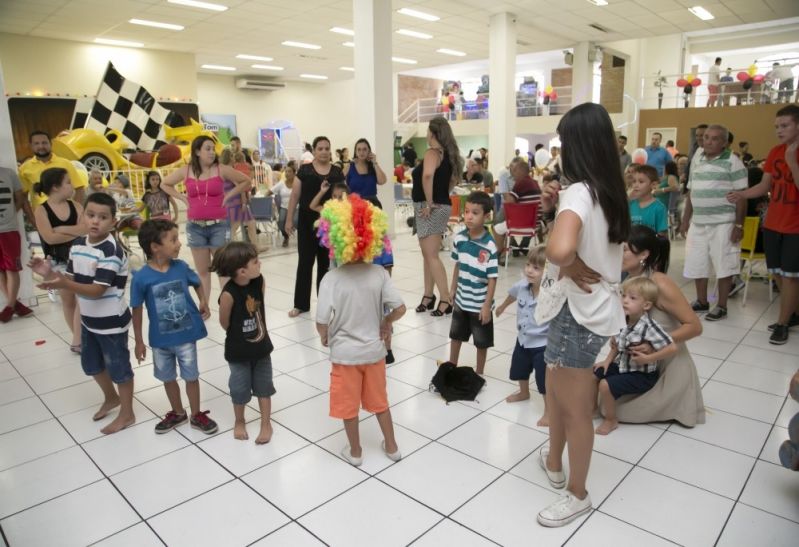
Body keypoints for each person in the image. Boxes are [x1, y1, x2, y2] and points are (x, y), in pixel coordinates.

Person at [535, 103, 630, 528]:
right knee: (555, 391)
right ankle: (554, 461)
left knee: (574, 407)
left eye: (563, 140)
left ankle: (578, 493)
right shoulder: (608, 190)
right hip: (584, 310)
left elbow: (558, 250)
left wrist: (568, 263)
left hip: (580, 314)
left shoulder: (579, 192)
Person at [30, 193, 134, 435]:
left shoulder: (112, 251)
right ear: (83, 216)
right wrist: (48, 273)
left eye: (102, 217)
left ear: (113, 221)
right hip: (88, 320)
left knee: (119, 368)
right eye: (90, 215)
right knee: (92, 365)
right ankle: (111, 398)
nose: (95, 221)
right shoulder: (78, 244)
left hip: (111, 323)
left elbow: (97, 291)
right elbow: (71, 278)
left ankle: (127, 413)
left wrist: (64, 285)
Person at [315, 194, 405, 466]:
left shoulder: (331, 279)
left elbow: (321, 319)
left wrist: (324, 335)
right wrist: (386, 322)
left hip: (345, 356)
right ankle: (392, 446)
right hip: (374, 352)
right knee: (380, 402)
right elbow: (400, 308)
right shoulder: (379, 273)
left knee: (348, 405)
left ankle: (355, 452)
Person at [131, 219, 218, 435]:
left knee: (191, 376)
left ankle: (196, 414)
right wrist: (139, 341)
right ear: (155, 247)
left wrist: (203, 300)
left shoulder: (181, 267)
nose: (179, 244)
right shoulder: (141, 278)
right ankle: (178, 412)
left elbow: (197, 281)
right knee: (167, 377)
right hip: (160, 341)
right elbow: (136, 309)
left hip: (186, 335)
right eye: (173, 240)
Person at [616, 225, 705, 426]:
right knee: (602, 398)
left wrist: (655, 344)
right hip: (641, 363)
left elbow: (695, 326)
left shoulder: (660, 283)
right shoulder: (630, 280)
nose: (618, 254)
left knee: (615, 410)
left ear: (644, 254)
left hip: (667, 365)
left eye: (625, 250)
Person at [728, 105, 799, 344]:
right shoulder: (775, 151)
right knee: (777, 273)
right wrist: (743, 194)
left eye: (785, 125)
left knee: (790, 277)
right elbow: (765, 186)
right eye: (777, 126)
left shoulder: (790, 154)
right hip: (773, 222)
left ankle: (782, 323)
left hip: (795, 225)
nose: (779, 130)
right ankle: (793, 313)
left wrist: (792, 161)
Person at [160, 135, 251, 303]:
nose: (211, 152)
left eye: (212, 149)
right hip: (195, 227)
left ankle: (227, 306)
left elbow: (245, 181)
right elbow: (164, 184)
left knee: (223, 270)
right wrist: (183, 198)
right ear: (197, 151)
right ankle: (205, 305)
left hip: (219, 225)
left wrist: (229, 195)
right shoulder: (186, 170)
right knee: (202, 271)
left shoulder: (221, 169)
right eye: (207, 149)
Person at [593, 276, 677, 435]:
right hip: (623, 366)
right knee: (594, 373)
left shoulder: (649, 327)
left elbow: (672, 348)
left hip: (642, 375)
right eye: (623, 296)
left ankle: (611, 420)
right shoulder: (622, 320)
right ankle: (593, 409)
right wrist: (607, 361)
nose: (625, 301)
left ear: (646, 305)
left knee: (605, 385)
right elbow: (617, 345)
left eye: (632, 298)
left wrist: (648, 358)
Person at [680, 124, 747, 322]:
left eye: (714, 138)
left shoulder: (733, 162)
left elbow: (742, 196)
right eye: (706, 137)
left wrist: (739, 225)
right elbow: (692, 190)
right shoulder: (698, 158)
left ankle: (722, 306)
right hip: (698, 222)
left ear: (725, 142)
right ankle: (702, 301)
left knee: (724, 264)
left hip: (723, 223)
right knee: (696, 262)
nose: (707, 141)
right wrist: (685, 219)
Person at [211, 241, 276, 443]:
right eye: (255, 262)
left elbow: (258, 307)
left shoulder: (259, 281)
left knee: (264, 387)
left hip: (262, 348)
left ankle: (266, 423)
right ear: (242, 272)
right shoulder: (228, 294)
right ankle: (239, 420)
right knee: (239, 388)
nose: (260, 264)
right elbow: (225, 323)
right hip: (238, 353)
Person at [284, 136, 345, 317]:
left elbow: (343, 197)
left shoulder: (337, 172)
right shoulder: (304, 170)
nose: (324, 151)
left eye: (327, 148)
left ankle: (326, 303)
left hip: (329, 223)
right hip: (306, 221)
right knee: (305, 262)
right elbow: (294, 196)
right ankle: (301, 304)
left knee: (326, 265)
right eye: (320, 148)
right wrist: (288, 220)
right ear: (315, 151)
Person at [411, 117, 463, 317]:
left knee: (431, 255)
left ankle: (445, 299)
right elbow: (453, 181)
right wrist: (439, 197)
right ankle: (428, 295)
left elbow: (427, 175)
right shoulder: (449, 155)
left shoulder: (432, 152)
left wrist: (430, 201)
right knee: (428, 254)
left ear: (432, 133)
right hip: (439, 205)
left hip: (430, 207)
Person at [32, 167, 85, 351]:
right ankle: (77, 339)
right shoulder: (41, 210)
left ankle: (79, 339)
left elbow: (85, 230)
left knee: (82, 299)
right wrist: (73, 231)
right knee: (68, 300)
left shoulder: (76, 206)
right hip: (59, 262)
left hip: (81, 259)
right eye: (68, 182)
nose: (72, 186)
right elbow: (49, 238)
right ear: (55, 187)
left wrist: (61, 228)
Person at [495, 245, 549, 420]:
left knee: (543, 379)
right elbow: (512, 294)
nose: (529, 271)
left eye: (536, 268)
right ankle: (524, 392)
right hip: (523, 338)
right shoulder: (522, 285)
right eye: (528, 265)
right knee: (519, 367)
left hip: (542, 343)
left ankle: (549, 410)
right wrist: (503, 306)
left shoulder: (551, 293)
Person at [447, 191, 498, 376]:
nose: (469, 216)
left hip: (479, 304)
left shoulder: (490, 245)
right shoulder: (459, 239)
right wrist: (453, 289)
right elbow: (458, 265)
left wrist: (486, 306)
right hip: (461, 299)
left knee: (481, 341)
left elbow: (493, 278)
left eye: (475, 213)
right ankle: (451, 366)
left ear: (486, 216)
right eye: (467, 211)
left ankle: (480, 373)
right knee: (455, 336)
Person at [0, 166, 35, 322]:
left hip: (9, 229)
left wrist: (11, 215)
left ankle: (9, 307)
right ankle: (13, 305)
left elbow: (20, 197)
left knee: (12, 268)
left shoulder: (9, 173)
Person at [19, 130, 87, 210]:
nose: (41, 146)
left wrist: (76, 212)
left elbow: (79, 189)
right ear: (31, 146)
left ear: (50, 144)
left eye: (44, 143)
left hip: (67, 215)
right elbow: (22, 197)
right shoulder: (24, 169)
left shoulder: (65, 163)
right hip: (41, 217)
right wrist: (33, 220)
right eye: (36, 143)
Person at [493, 158, 541, 256]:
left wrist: (505, 193)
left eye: (514, 170)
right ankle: (518, 247)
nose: (512, 173)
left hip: (522, 225)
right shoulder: (535, 182)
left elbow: (510, 201)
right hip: (535, 224)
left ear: (519, 171)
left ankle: (499, 252)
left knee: (496, 228)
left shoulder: (521, 183)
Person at [629, 165, 669, 237]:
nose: (636, 185)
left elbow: (662, 234)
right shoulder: (630, 205)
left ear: (653, 185)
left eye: (641, 182)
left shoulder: (659, 207)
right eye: (634, 181)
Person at [345, 138, 387, 206]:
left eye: (364, 149)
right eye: (359, 149)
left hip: (372, 207)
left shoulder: (373, 166)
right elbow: (338, 184)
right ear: (355, 152)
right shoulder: (349, 166)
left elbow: (382, 181)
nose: (361, 152)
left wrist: (375, 163)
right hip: (355, 207)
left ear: (369, 151)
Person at [272, 161, 298, 247]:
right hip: (284, 207)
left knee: (295, 221)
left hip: (296, 207)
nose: (287, 173)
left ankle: (292, 231)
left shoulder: (298, 183)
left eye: (289, 172)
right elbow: (271, 190)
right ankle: (286, 237)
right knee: (281, 222)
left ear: (294, 173)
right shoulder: (281, 183)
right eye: (286, 171)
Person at [655, 160, 680, 225]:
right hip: (659, 201)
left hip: (663, 204)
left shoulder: (671, 177)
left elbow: (675, 188)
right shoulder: (666, 177)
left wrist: (662, 190)